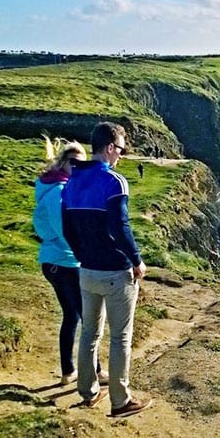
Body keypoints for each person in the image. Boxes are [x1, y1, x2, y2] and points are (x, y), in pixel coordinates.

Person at [62, 122, 151, 416]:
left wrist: (82, 255)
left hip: (86, 271)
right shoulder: (114, 181)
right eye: (121, 150)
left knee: (89, 333)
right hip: (115, 272)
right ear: (110, 148)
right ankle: (121, 401)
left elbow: (67, 227)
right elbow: (120, 226)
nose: (122, 156)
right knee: (120, 337)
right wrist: (136, 260)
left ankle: (88, 393)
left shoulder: (71, 181)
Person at [33, 138, 108, 386]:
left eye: (81, 163)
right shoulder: (58, 193)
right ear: (63, 162)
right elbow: (65, 230)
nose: (77, 166)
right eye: (73, 162)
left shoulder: (53, 187)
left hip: (54, 261)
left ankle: (68, 371)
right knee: (89, 319)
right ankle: (94, 372)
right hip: (65, 263)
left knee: (72, 316)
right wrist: (84, 256)